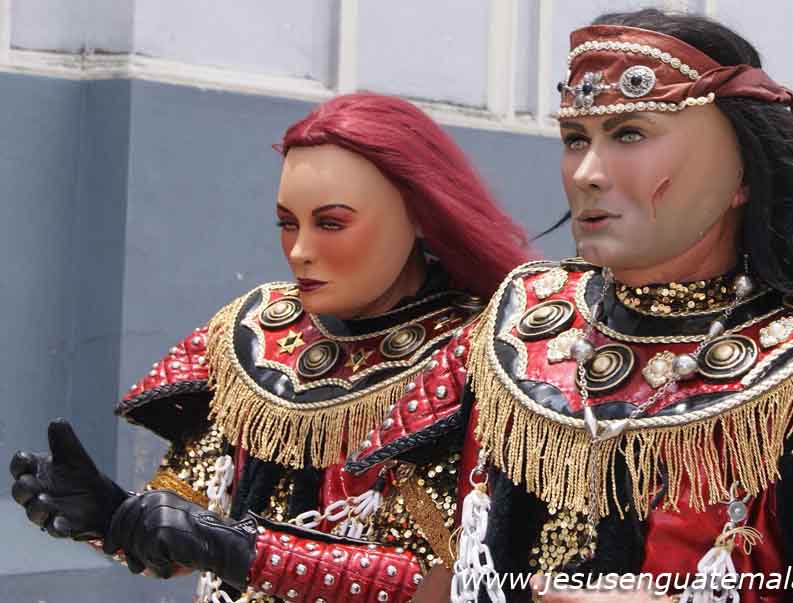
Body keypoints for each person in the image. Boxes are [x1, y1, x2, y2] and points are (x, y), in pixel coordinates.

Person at [347, 10, 793, 603]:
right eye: (575, 140)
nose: (587, 173)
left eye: (629, 134)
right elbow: (408, 561)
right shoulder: (516, 323)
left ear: (741, 171)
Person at [8, 92, 535, 603]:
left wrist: (238, 548)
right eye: (287, 223)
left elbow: (444, 579)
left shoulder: (480, 357)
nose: (300, 250)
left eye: (331, 223)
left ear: (419, 215)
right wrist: (113, 516)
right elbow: (186, 517)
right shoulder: (256, 334)